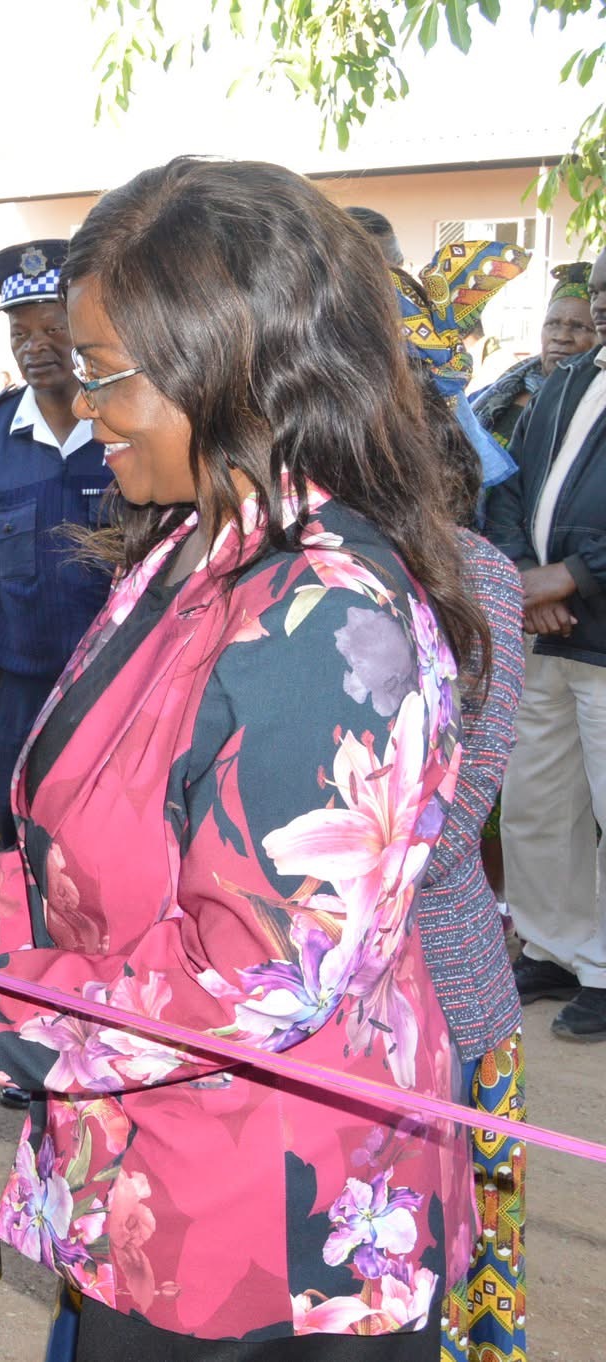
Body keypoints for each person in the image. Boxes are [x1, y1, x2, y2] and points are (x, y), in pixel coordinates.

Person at [0, 157, 485, 1357]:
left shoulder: (324, 620)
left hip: (269, 1223)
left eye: (109, 374)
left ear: (227, 373)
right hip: (162, 1176)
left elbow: (251, 983)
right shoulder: (185, 552)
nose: (84, 406)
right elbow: (65, 832)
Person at [406, 375, 529, 1362]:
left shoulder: (475, 574)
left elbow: (459, 807)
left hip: (437, 995)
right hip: (321, 1006)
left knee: (443, 1296)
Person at [0, 240, 113, 849]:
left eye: (54, 328)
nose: (34, 347)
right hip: (24, 702)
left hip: (120, 696)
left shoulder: (127, 426)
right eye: (20, 332)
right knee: (22, 850)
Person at [484, 245, 606, 1043]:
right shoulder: (562, 382)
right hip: (545, 631)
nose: (601, 303)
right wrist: (528, 576)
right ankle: (558, 948)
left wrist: (576, 574)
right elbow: (507, 489)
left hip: (597, 633)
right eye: (598, 288)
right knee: (537, 802)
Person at [473, 261, 599, 447]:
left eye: (579, 327)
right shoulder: (501, 390)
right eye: (553, 323)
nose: (562, 337)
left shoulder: (596, 405)